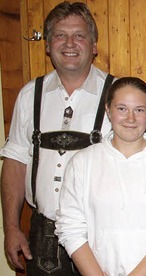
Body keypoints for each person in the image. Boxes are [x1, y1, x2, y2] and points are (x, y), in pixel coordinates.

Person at [0, 2, 113, 274]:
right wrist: (11, 229)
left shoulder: (117, 94)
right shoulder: (30, 94)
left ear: (94, 46)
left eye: (79, 35)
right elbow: (15, 163)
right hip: (44, 235)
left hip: (100, 233)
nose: (70, 43)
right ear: (48, 45)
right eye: (60, 35)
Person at [55, 77, 146, 275]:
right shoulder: (82, 163)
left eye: (139, 110)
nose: (130, 119)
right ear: (108, 110)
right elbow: (70, 226)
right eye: (122, 109)